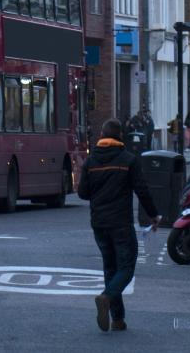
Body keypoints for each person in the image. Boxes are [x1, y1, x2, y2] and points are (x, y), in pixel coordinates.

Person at [77, 119, 161, 332]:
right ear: (121, 137)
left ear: (102, 136)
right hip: (121, 223)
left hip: (99, 223)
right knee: (126, 268)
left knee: (110, 268)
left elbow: (83, 193)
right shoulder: (128, 160)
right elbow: (141, 190)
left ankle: (118, 319)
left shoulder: (91, 161)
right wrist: (153, 215)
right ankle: (106, 297)